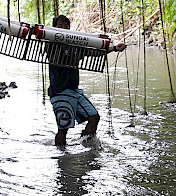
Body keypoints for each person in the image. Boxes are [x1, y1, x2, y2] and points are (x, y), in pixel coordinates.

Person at [47, 15, 126, 146]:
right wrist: (59, 39)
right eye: (60, 26)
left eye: (66, 26)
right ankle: (61, 158)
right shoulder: (51, 45)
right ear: (54, 28)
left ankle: (86, 146)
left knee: (94, 117)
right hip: (60, 91)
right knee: (63, 129)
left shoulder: (74, 46)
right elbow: (54, 56)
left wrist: (114, 49)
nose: (64, 28)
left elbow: (92, 52)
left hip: (74, 91)